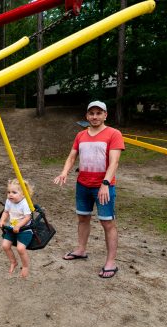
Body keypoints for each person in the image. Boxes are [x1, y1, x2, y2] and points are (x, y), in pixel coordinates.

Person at [54, 101, 124, 279]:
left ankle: (111, 262)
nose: (95, 116)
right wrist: (64, 172)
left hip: (104, 187)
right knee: (83, 218)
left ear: (105, 115)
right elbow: (72, 156)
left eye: (98, 113)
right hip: (83, 184)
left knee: (107, 222)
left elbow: (114, 162)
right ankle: (81, 250)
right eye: (91, 113)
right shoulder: (80, 135)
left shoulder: (114, 134)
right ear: (87, 116)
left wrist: (105, 184)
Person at [0, 179, 34, 278]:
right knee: (5, 245)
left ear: (22, 194)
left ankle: (25, 267)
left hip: (25, 230)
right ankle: (13, 262)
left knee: (20, 248)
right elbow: (6, 212)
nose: (10, 195)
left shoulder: (25, 203)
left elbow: (28, 217)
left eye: (14, 192)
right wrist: (2, 221)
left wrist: (19, 226)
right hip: (12, 228)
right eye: (8, 192)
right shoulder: (9, 201)